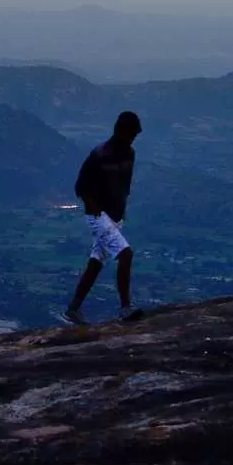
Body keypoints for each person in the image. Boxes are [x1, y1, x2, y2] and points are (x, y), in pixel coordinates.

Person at [62, 110, 143, 324]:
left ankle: (73, 308)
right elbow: (80, 186)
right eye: (132, 133)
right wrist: (94, 207)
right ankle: (125, 307)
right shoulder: (100, 154)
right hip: (100, 217)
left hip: (115, 217)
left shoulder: (129, 154)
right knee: (126, 254)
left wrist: (120, 209)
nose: (134, 138)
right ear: (121, 131)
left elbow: (123, 185)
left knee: (96, 262)